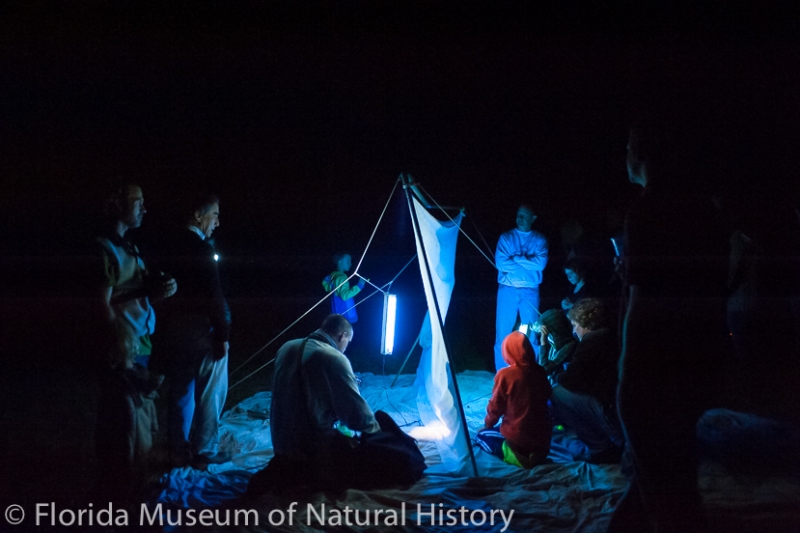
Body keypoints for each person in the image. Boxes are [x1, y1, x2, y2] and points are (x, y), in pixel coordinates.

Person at [608, 123, 728, 533]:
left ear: (641, 153)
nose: (623, 156)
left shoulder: (647, 210)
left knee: (664, 487)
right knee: (670, 473)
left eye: (627, 147)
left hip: (652, 362)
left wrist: (627, 368)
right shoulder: (706, 212)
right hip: (697, 360)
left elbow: (645, 302)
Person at [248, 314, 425, 494]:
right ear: (342, 336)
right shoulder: (332, 357)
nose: (345, 348)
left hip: (283, 447)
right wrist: (379, 438)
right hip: (313, 453)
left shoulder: (287, 347)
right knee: (389, 439)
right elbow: (358, 417)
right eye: (348, 342)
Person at [152, 193, 232, 468]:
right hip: (201, 328)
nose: (217, 223)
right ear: (199, 215)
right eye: (214, 215)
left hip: (174, 327)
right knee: (210, 390)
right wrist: (222, 334)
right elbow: (214, 293)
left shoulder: (168, 246)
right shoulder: (202, 249)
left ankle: (177, 448)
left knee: (180, 389)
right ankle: (205, 449)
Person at [97, 183, 177, 368]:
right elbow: (101, 305)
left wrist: (166, 288)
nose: (144, 209)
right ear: (118, 204)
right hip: (124, 346)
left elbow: (138, 297)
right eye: (138, 202)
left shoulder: (130, 247)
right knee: (127, 394)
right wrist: (122, 344)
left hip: (140, 340)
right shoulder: (105, 249)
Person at [550, 298, 623, 463]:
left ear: (586, 323)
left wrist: (557, 375)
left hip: (612, 411)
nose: (574, 331)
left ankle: (600, 448)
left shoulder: (592, 341)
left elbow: (570, 380)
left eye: (575, 325)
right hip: (621, 407)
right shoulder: (612, 334)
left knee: (556, 392)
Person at [476, 331, 552, 469]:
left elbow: (495, 406)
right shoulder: (540, 371)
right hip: (542, 436)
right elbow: (547, 394)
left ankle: (512, 454)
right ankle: (537, 453)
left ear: (507, 351)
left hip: (518, 434)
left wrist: (488, 424)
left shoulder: (506, 375)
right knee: (527, 434)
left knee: (481, 435)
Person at [494, 205, 548, 370]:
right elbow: (501, 262)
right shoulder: (506, 238)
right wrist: (527, 262)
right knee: (503, 332)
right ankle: (502, 373)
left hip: (530, 290)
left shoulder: (540, 239)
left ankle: (531, 372)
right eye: (519, 215)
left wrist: (516, 258)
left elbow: (541, 263)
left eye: (525, 215)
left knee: (531, 332)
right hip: (507, 289)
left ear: (533, 218)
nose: (520, 218)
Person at [535, 308, 578, 383]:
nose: (544, 334)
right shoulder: (554, 344)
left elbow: (544, 370)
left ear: (555, 330)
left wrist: (543, 341)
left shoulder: (569, 346)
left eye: (547, 331)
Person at [322, 252, 365, 324]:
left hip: (336, 314)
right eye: (348, 261)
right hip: (346, 315)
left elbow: (326, 286)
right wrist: (360, 286)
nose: (350, 264)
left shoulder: (333, 276)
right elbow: (345, 296)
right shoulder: (342, 277)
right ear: (340, 261)